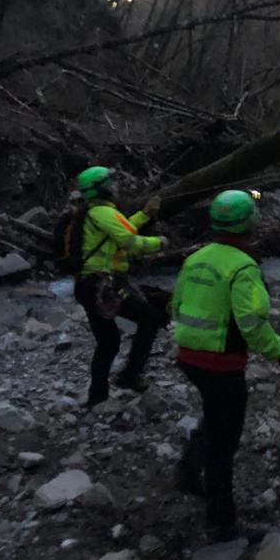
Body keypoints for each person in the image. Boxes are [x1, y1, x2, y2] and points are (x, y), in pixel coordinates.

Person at [171, 189, 280, 542]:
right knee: (223, 445)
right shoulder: (244, 268)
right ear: (250, 225)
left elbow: (176, 305)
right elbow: (252, 325)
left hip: (189, 358)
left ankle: (187, 471)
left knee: (214, 417)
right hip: (222, 364)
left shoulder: (195, 259)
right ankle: (221, 524)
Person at [73, 166, 170, 407]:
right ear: (102, 189)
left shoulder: (95, 212)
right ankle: (130, 376)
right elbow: (130, 242)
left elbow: (122, 228)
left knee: (107, 342)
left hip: (88, 285)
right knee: (152, 318)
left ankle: (97, 398)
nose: (115, 186)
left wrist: (145, 214)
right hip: (102, 286)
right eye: (111, 182)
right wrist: (160, 242)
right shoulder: (104, 212)